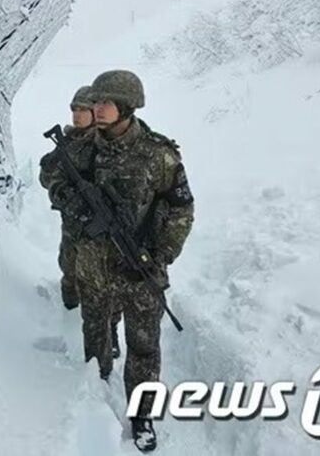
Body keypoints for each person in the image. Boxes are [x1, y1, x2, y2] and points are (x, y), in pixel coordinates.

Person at [76, 70, 194, 453]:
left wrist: (160, 257)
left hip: (141, 270)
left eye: (104, 102)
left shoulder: (159, 155)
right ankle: (94, 391)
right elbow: (52, 177)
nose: (97, 108)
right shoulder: (82, 148)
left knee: (144, 347)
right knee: (96, 334)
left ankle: (142, 415)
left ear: (127, 106)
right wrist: (70, 201)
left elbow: (181, 211)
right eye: (94, 102)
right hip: (94, 266)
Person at [39, 86, 123, 354]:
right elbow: (47, 178)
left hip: (102, 229)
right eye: (73, 109)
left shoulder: (106, 143)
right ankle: (69, 315)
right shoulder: (67, 144)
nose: (76, 115)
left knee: (106, 283)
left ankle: (109, 332)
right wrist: (62, 191)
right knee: (69, 267)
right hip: (73, 224)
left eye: (82, 110)